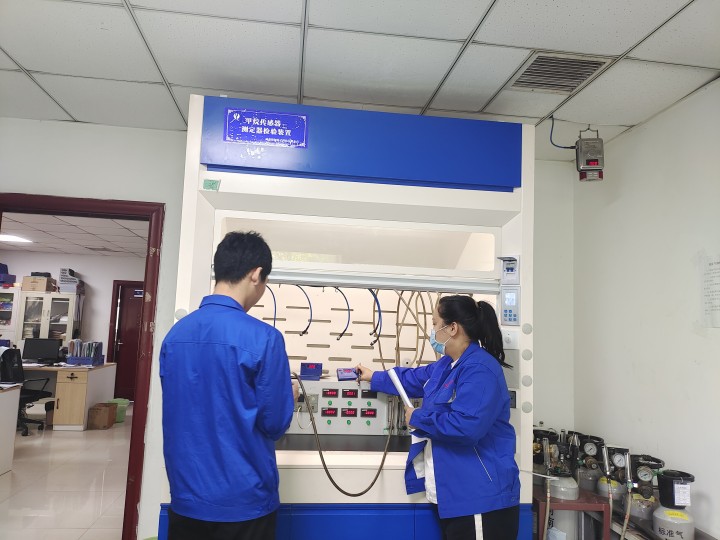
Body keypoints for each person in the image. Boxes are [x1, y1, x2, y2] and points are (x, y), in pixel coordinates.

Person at [160, 231, 297, 540]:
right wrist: (289, 395)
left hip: (186, 497)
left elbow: (183, 406)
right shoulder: (264, 339)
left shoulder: (175, 336)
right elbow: (275, 424)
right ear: (256, 274)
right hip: (244, 503)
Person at [356, 295, 520, 540]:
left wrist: (418, 418)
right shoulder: (447, 365)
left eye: (435, 324)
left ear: (452, 328)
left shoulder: (480, 369)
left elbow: (467, 427)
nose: (432, 332)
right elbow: (412, 379)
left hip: (480, 499)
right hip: (454, 496)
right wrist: (374, 377)